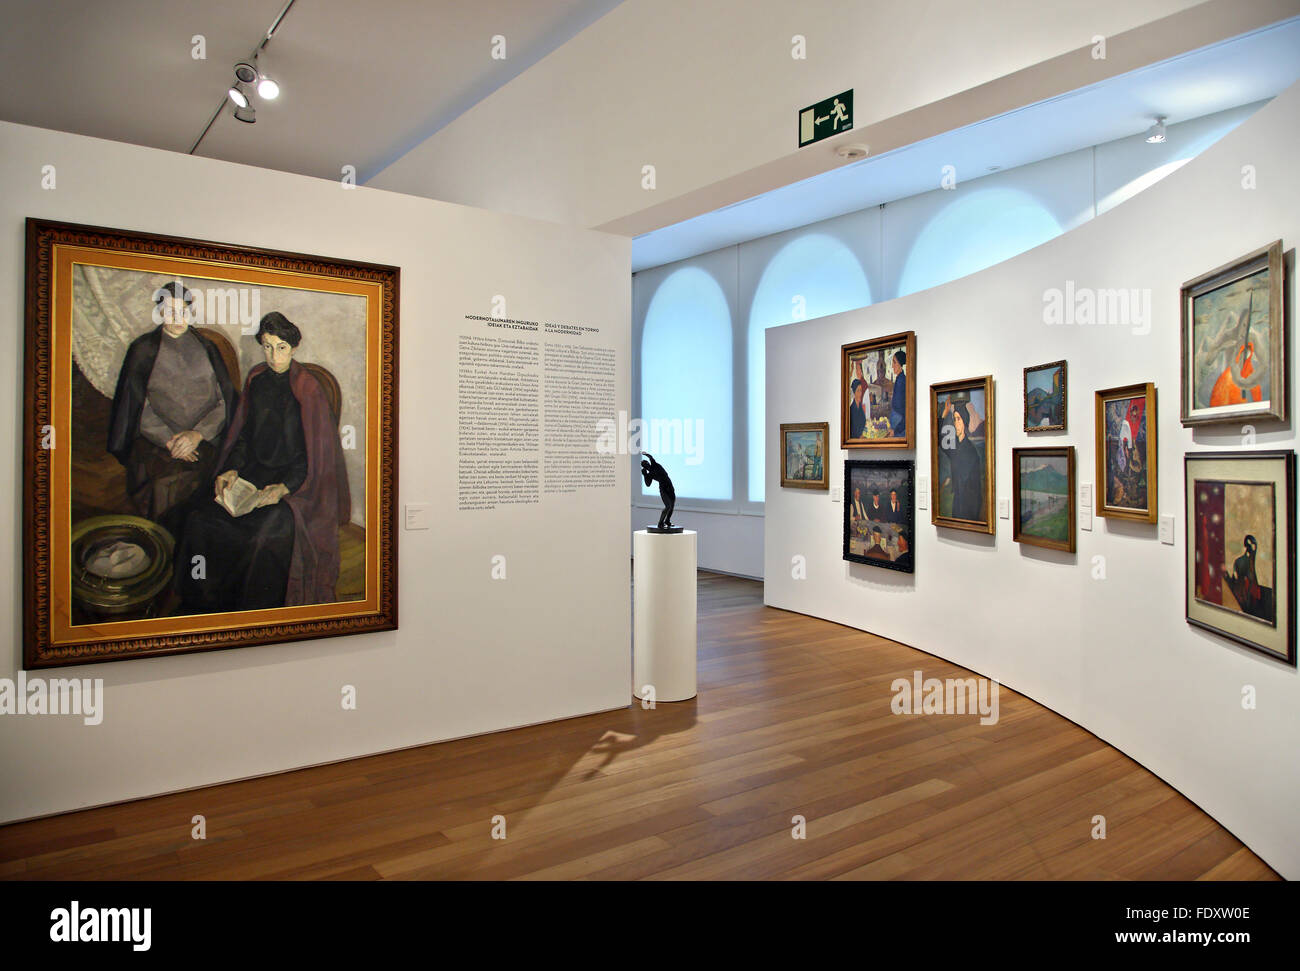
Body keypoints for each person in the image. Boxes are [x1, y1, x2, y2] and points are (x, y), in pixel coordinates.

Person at [177, 312, 349, 613]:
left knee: (259, 538)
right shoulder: (257, 379)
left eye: (281, 347)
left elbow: (315, 456)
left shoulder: (308, 389)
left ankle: (249, 611)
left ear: (293, 348)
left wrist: (284, 488)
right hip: (252, 473)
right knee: (199, 519)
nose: (273, 355)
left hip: (295, 485)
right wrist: (232, 467)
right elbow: (244, 435)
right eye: (267, 346)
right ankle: (202, 598)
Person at [107, 281, 237, 535]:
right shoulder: (143, 350)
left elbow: (225, 402)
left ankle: (199, 549)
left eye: (184, 311)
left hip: (208, 439)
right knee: (166, 484)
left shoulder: (208, 348)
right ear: (160, 313)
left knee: (210, 481)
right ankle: (164, 546)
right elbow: (136, 407)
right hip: (157, 442)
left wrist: (197, 434)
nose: (178, 318)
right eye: (171, 312)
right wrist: (170, 440)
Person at [942, 401, 984, 521]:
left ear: (964, 422)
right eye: (954, 419)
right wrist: (943, 416)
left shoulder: (970, 451)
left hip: (968, 504)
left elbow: (969, 484)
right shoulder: (956, 447)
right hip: (958, 500)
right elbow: (941, 443)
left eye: (958, 419)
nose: (956, 423)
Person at [641, 452, 676, 530]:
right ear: (644, 467)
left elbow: (651, 458)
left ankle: (667, 521)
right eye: (644, 464)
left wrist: (646, 454)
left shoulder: (654, 465)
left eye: (646, 462)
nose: (646, 464)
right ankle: (660, 523)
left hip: (669, 485)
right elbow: (648, 484)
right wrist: (645, 475)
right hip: (663, 488)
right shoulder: (649, 474)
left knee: (672, 505)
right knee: (668, 506)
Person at [889, 350, 907, 437]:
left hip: (899, 424)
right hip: (895, 422)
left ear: (900, 364)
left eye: (894, 362)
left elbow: (905, 410)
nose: (892, 366)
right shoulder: (899, 379)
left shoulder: (902, 381)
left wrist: (897, 430)